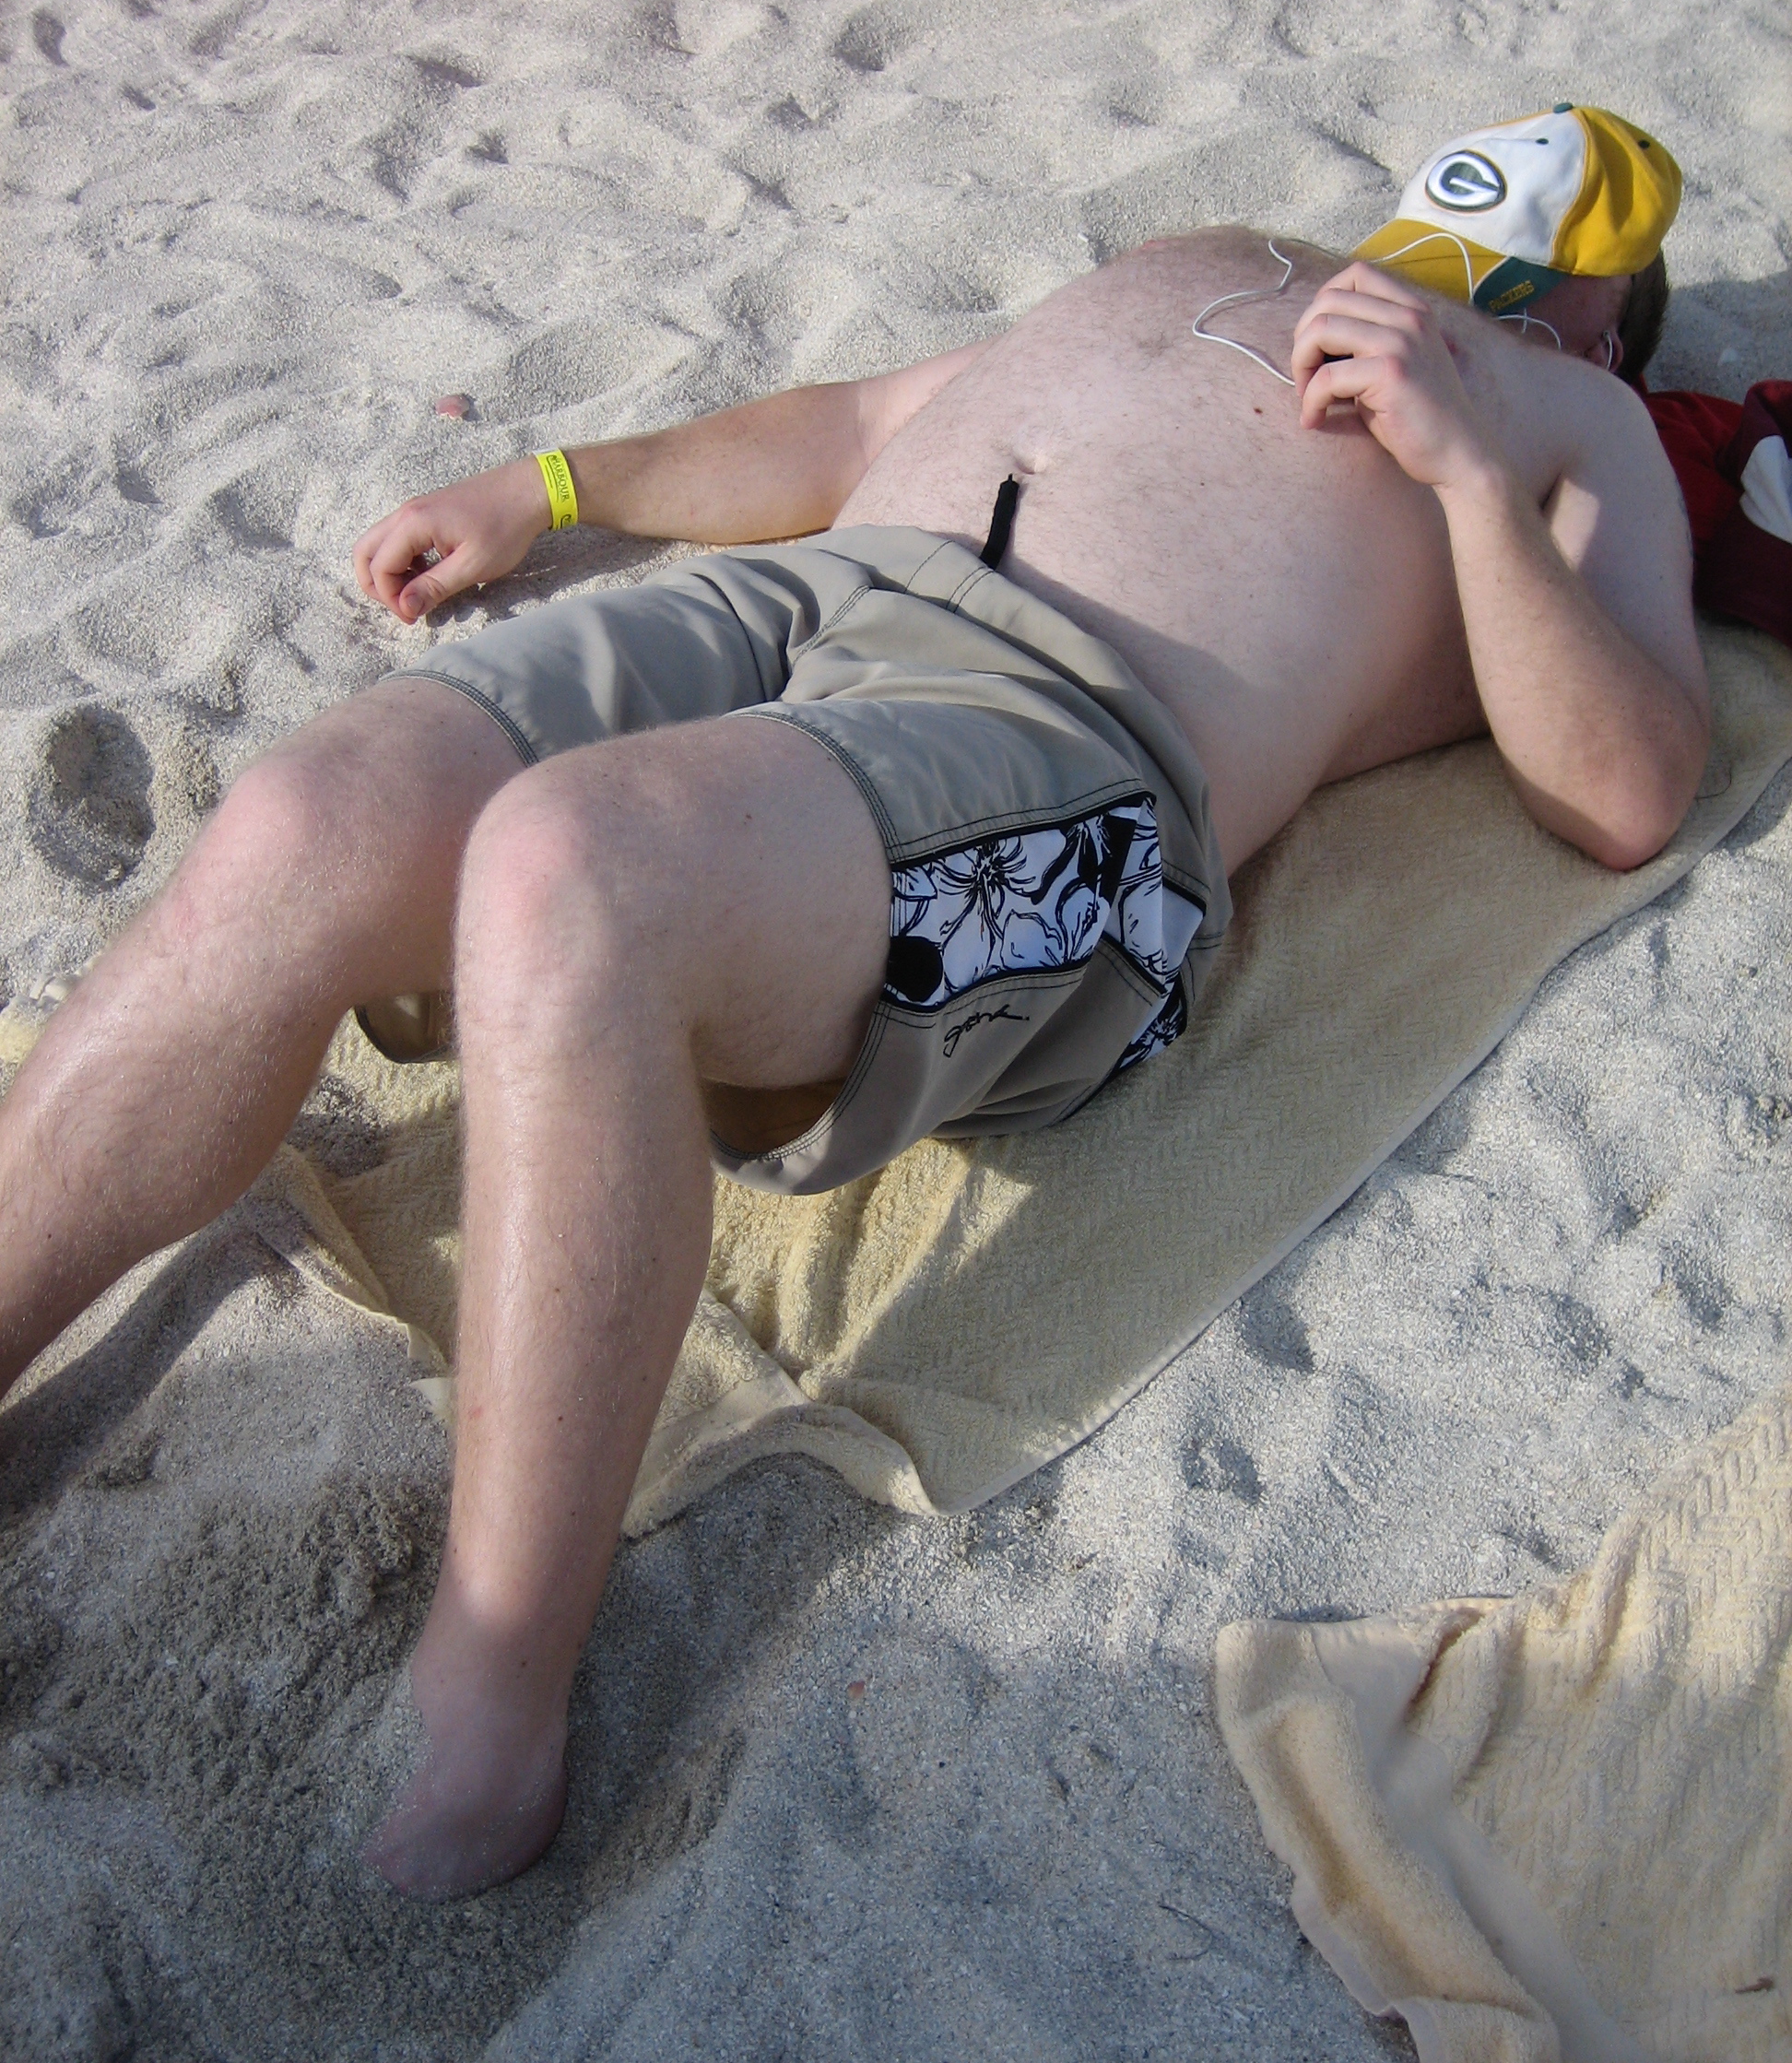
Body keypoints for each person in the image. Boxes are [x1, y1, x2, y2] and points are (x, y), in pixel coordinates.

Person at [0, 105, 1708, 1899]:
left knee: (569, 878)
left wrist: (1470, 470)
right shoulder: (1223, 262)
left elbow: (1629, 786)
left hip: (1065, 747)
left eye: (1563, 266)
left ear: (1604, 326)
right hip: (805, 593)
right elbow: (856, 427)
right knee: (299, 830)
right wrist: (557, 489)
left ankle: (489, 1696)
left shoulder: (1565, 416)